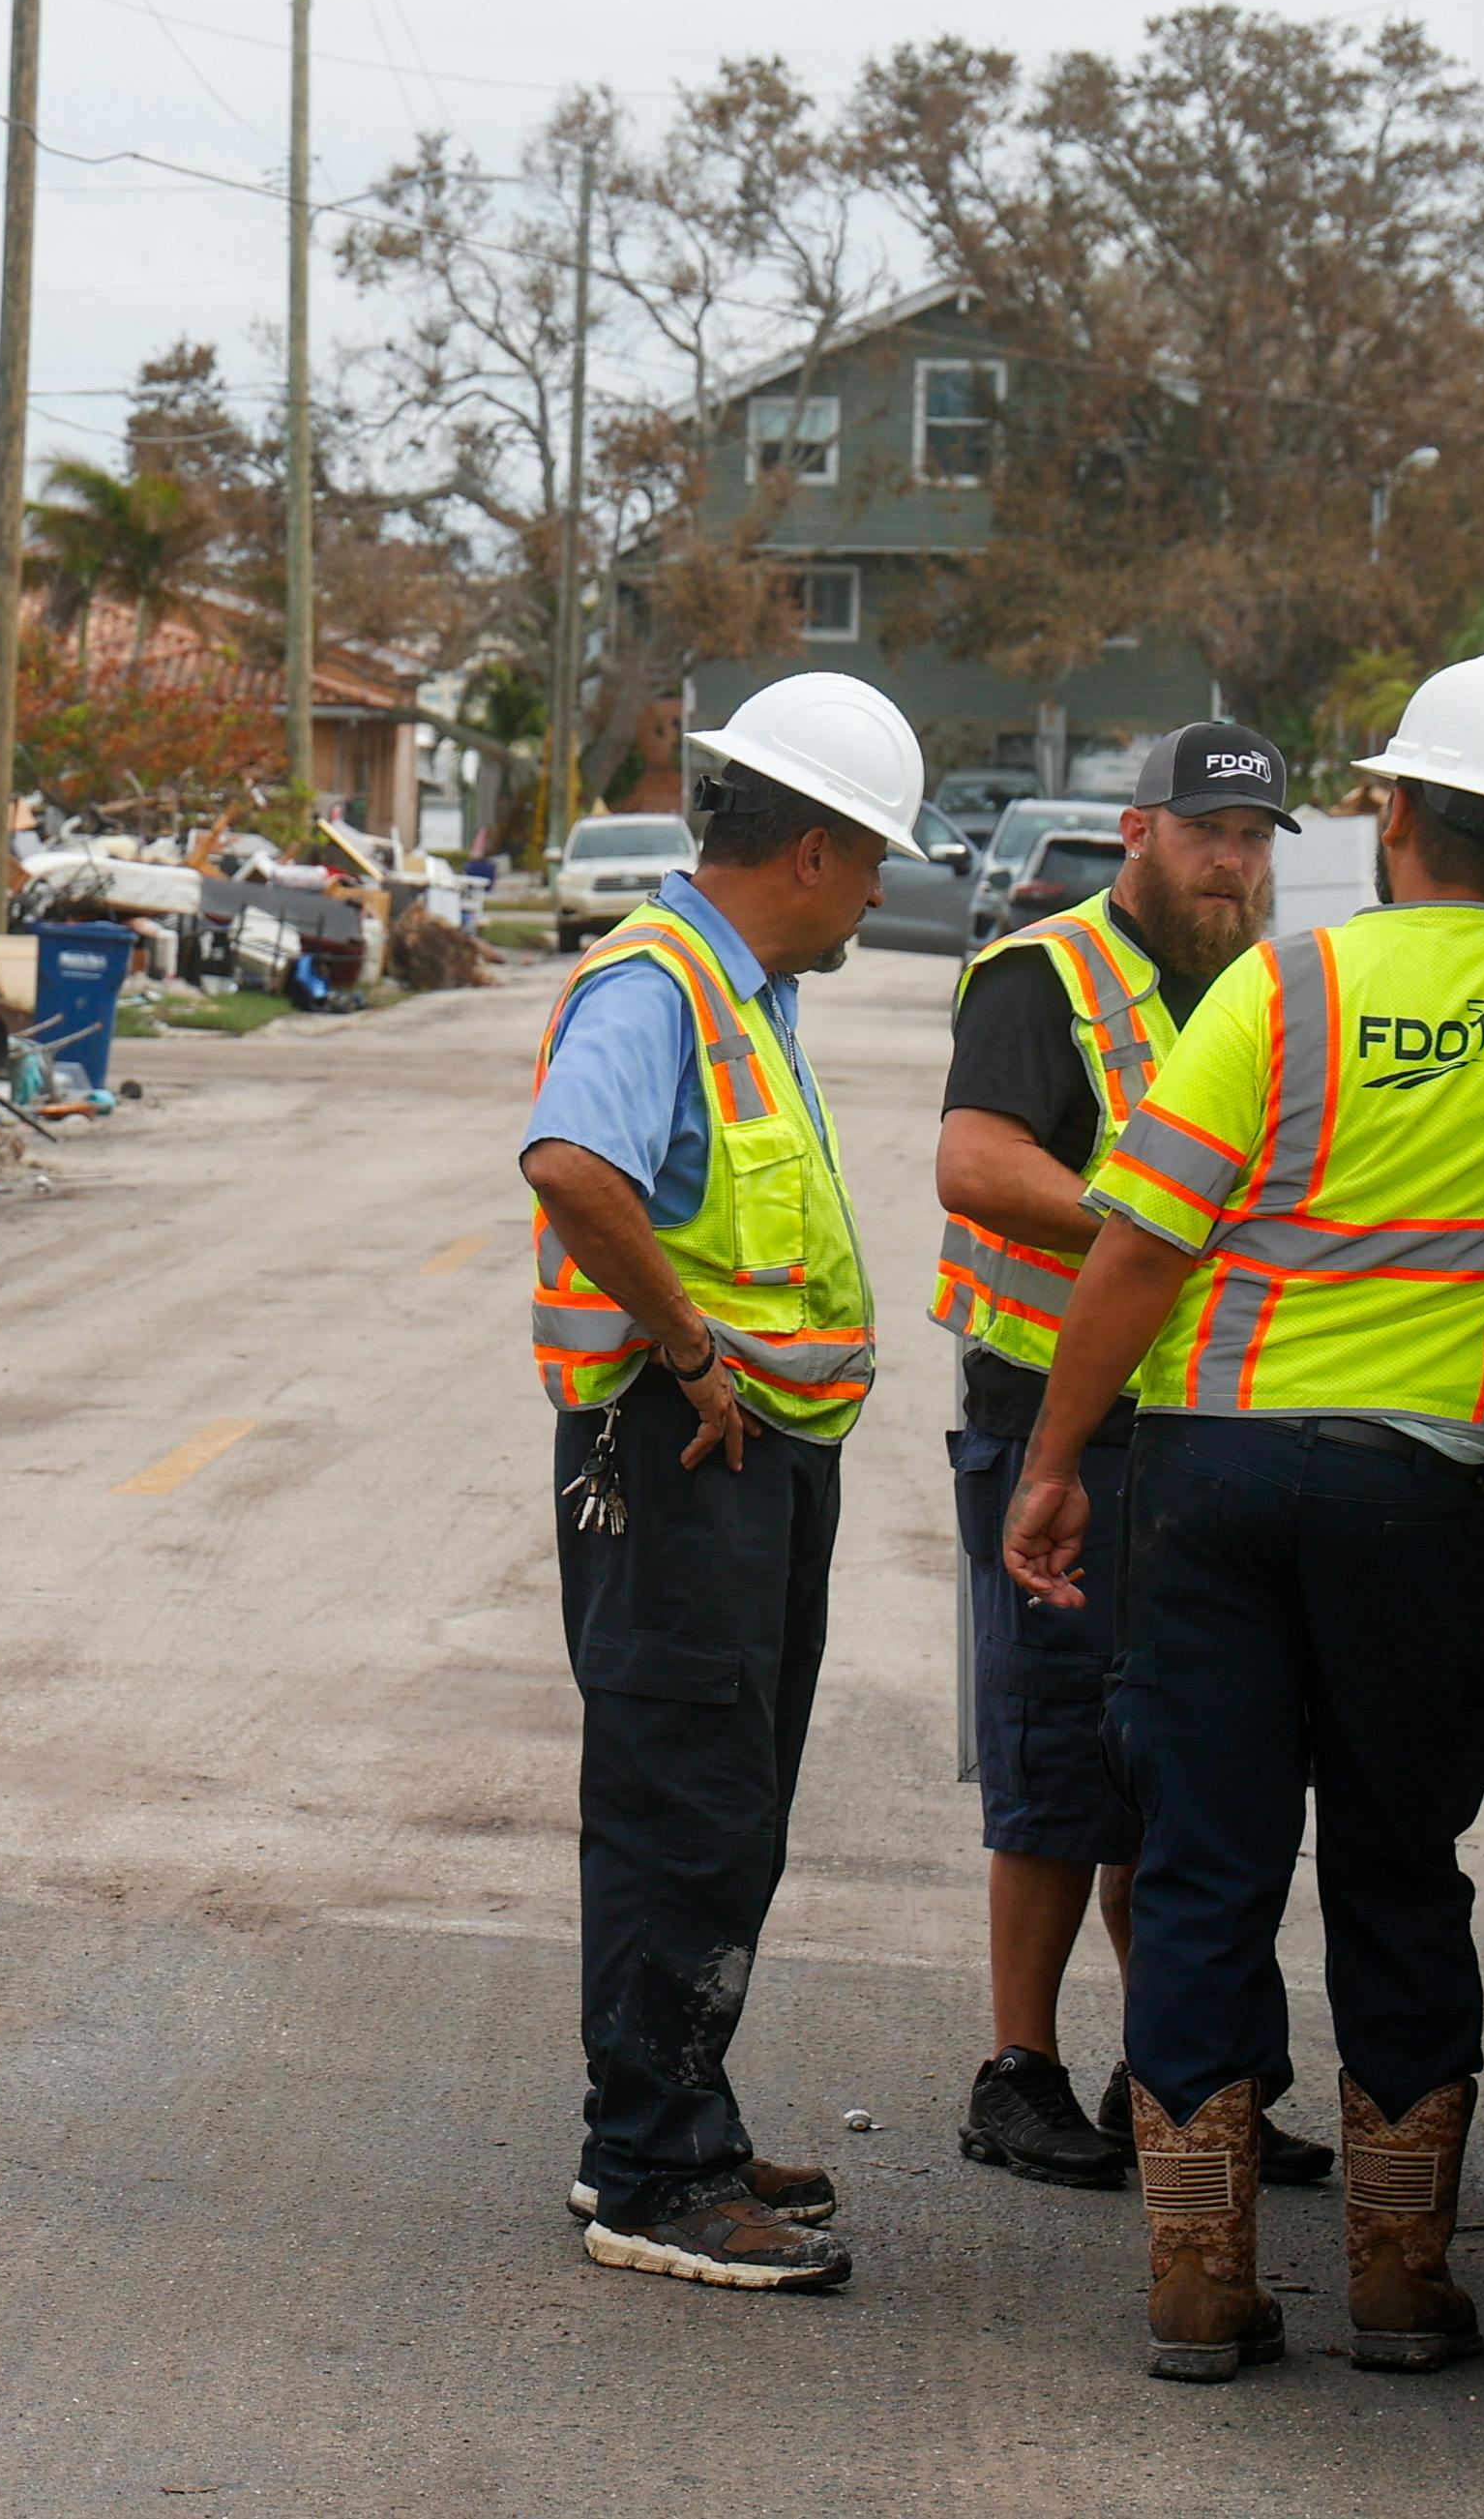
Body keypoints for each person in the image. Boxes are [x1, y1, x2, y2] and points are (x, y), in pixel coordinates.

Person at [1003, 655, 1484, 2381]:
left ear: (1391, 808)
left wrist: (1057, 1458)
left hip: (1210, 1479)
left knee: (1203, 1861)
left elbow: (1137, 1240)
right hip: (1415, 1496)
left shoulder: (1281, 988)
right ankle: (1399, 2275)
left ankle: (1200, 2279)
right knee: (1395, 1870)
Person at [519, 667, 929, 2294]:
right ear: (812, 851)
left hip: (750, 1466)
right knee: (680, 1805)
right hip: (678, 1458)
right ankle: (651, 2172)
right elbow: (570, 1166)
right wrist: (686, 1347)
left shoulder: (742, 985)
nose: (885, 889)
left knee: (723, 1804)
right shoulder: (660, 983)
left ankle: (668, 2109)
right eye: (876, 856)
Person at [928, 724, 1330, 2194]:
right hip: (1055, 1422)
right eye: (1210, 831)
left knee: (1191, 1763)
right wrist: (1131, 1215)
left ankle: (1183, 2071)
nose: (1236, 861)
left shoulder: (1274, 991)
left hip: (1212, 1421)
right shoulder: (1047, 974)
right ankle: (1015, 2070)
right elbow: (972, 1162)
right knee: (1055, 1757)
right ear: (1139, 834)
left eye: (1256, 837)